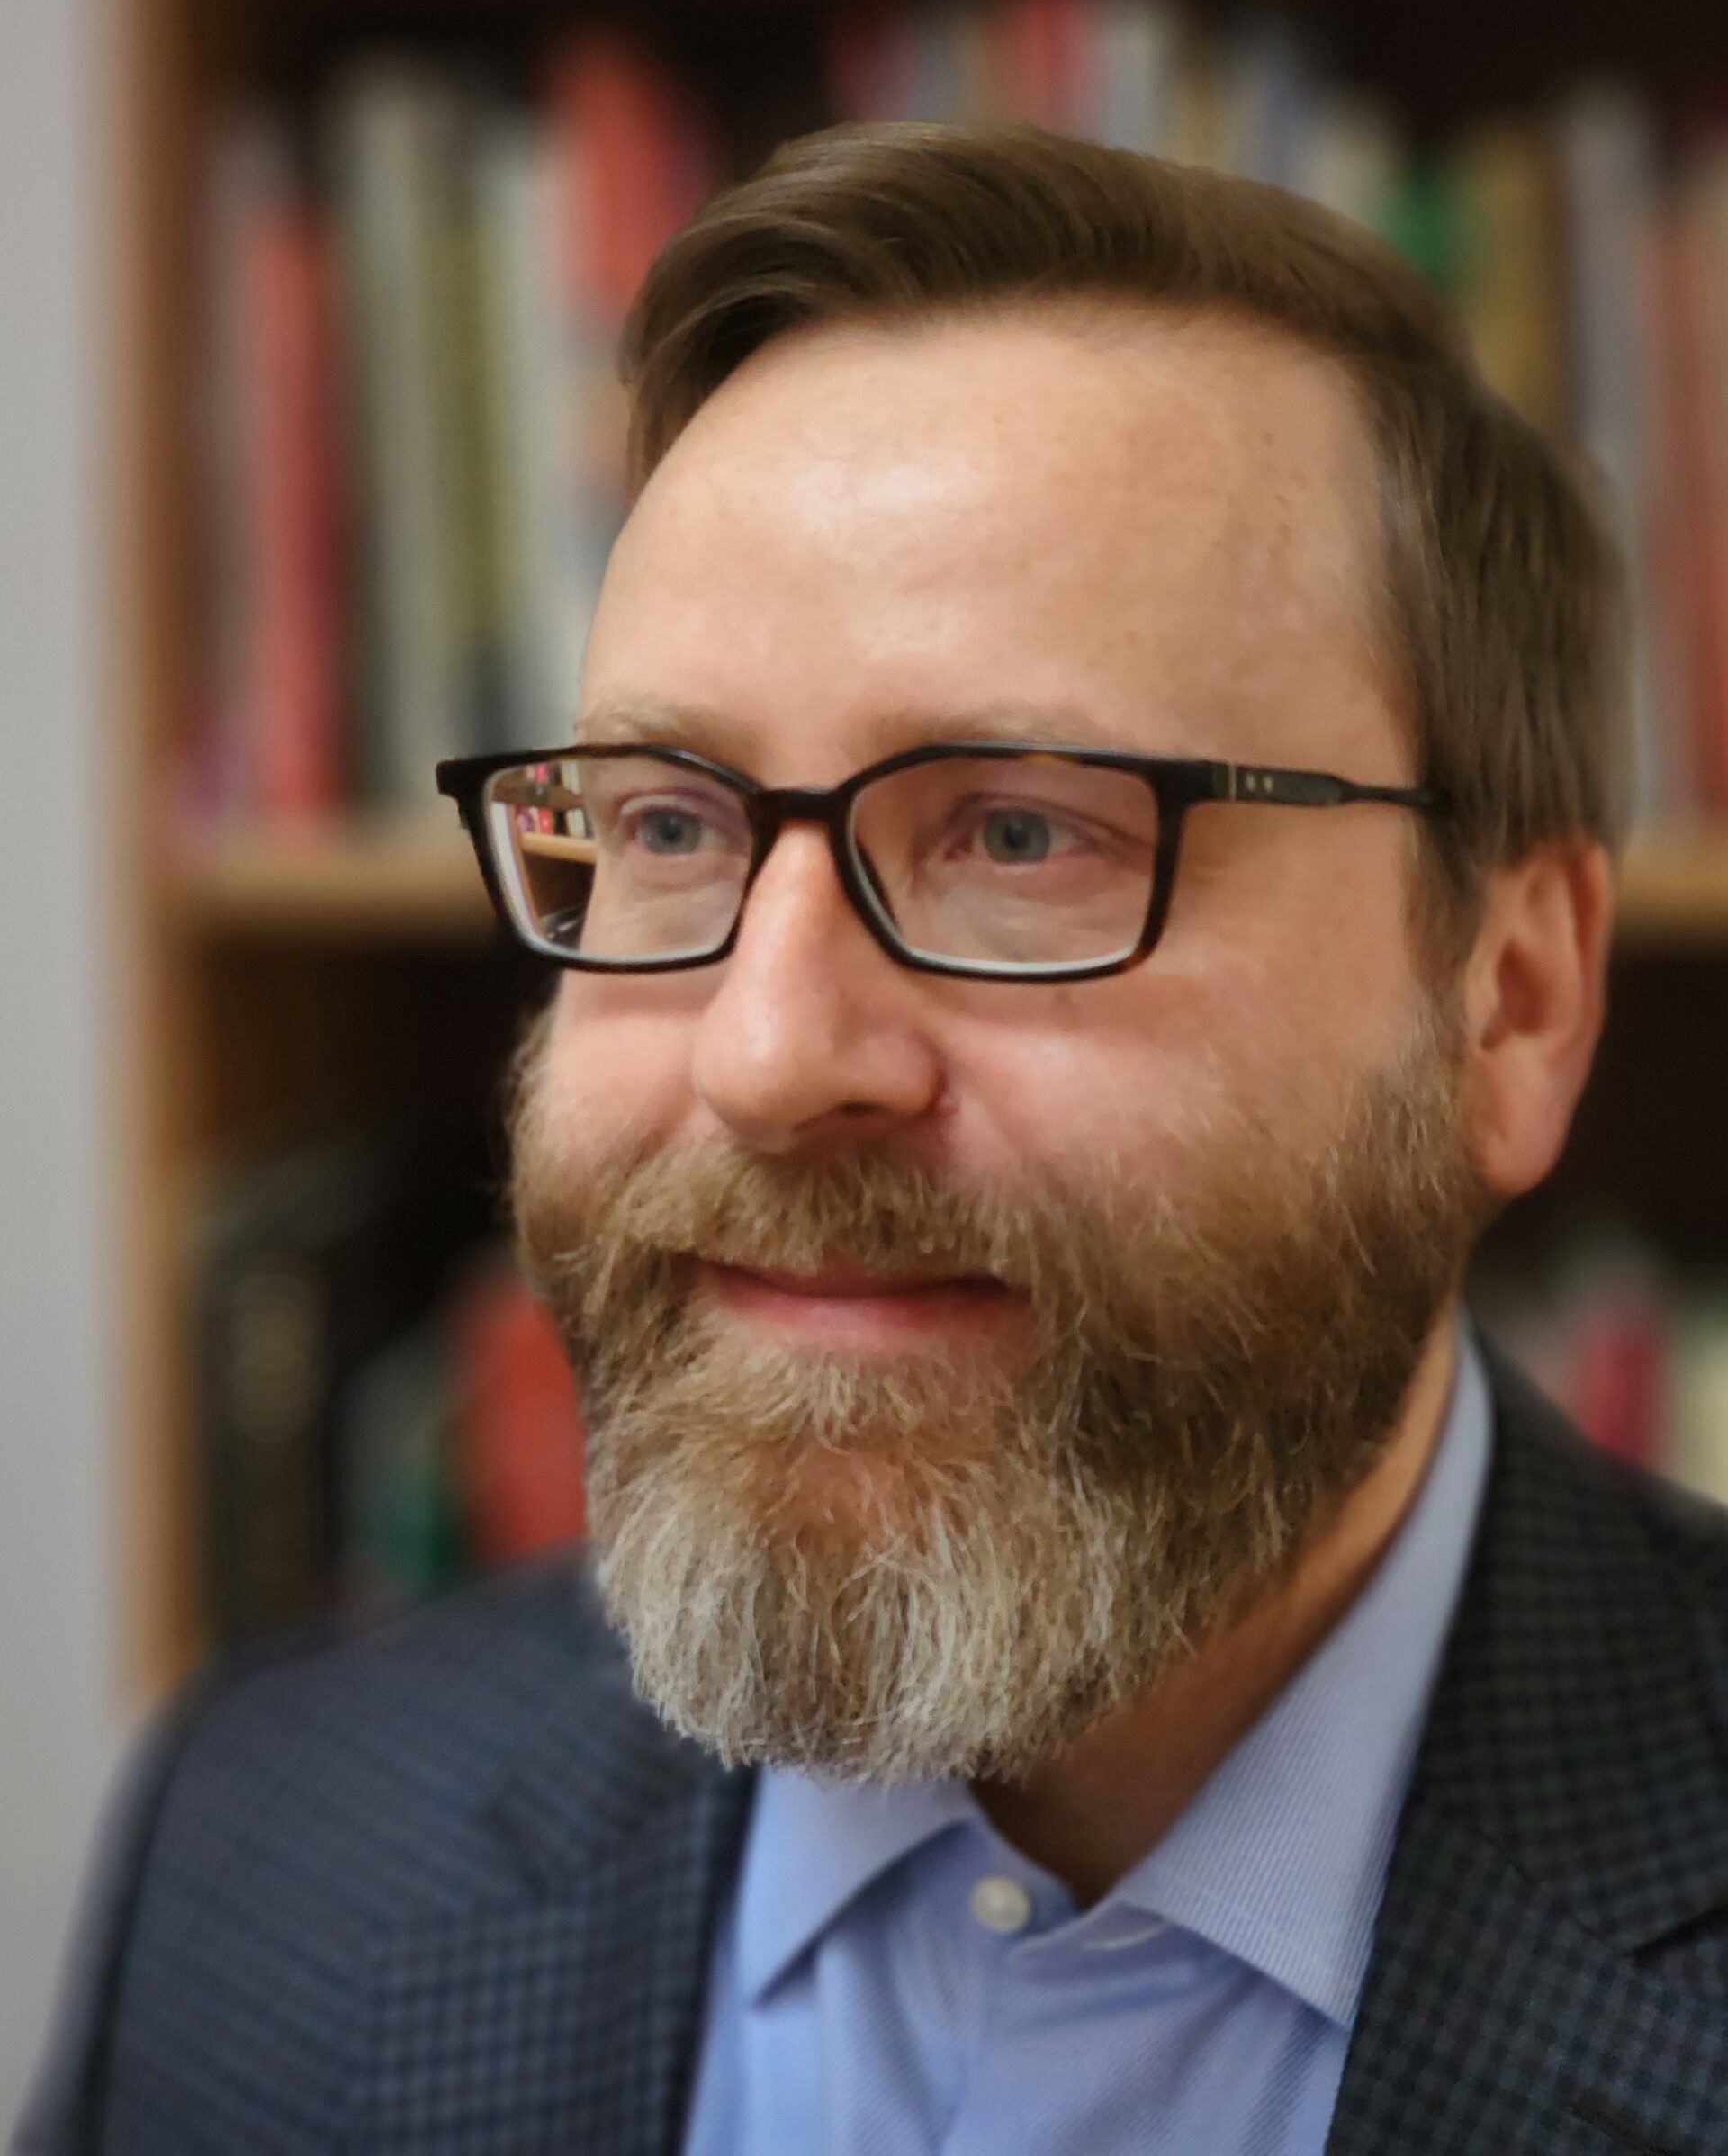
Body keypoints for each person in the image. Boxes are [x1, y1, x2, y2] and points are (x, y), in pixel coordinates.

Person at [22, 123, 1728, 2156]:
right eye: (665, 822)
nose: (768, 1054)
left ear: (1511, 999)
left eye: (1024, 833)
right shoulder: (268, 1846)